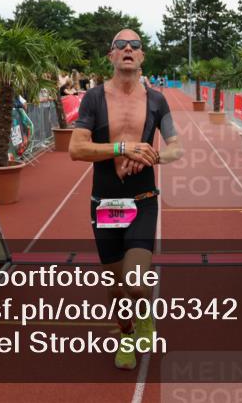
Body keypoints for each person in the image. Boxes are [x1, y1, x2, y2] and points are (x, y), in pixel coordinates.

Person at [69, 29, 183, 371]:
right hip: (106, 204)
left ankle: (143, 315)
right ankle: (127, 332)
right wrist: (121, 147)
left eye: (135, 45)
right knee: (117, 288)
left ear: (142, 57)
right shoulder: (93, 98)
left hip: (143, 199)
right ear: (111, 56)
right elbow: (76, 148)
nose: (128, 49)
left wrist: (152, 155)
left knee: (135, 282)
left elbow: (176, 147)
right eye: (121, 45)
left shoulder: (157, 100)